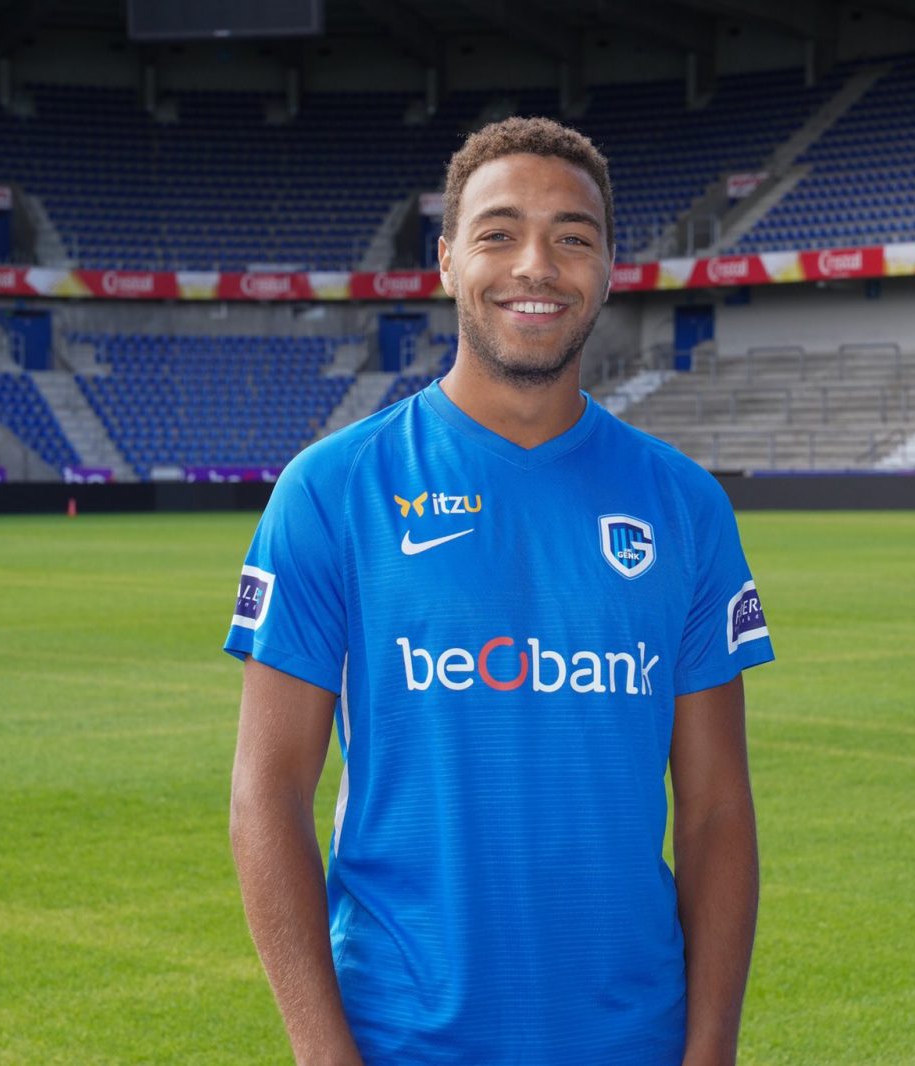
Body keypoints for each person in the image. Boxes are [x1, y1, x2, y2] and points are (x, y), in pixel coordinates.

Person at [225, 116, 774, 1066]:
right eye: (498, 232)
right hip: (402, 1042)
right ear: (446, 260)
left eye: (573, 237)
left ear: (609, 269)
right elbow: (266, 796)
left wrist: (710, 1051)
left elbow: (717, 808)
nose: (537, 265)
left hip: (633, 1043)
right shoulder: (331, 490)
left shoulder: (686, 506)